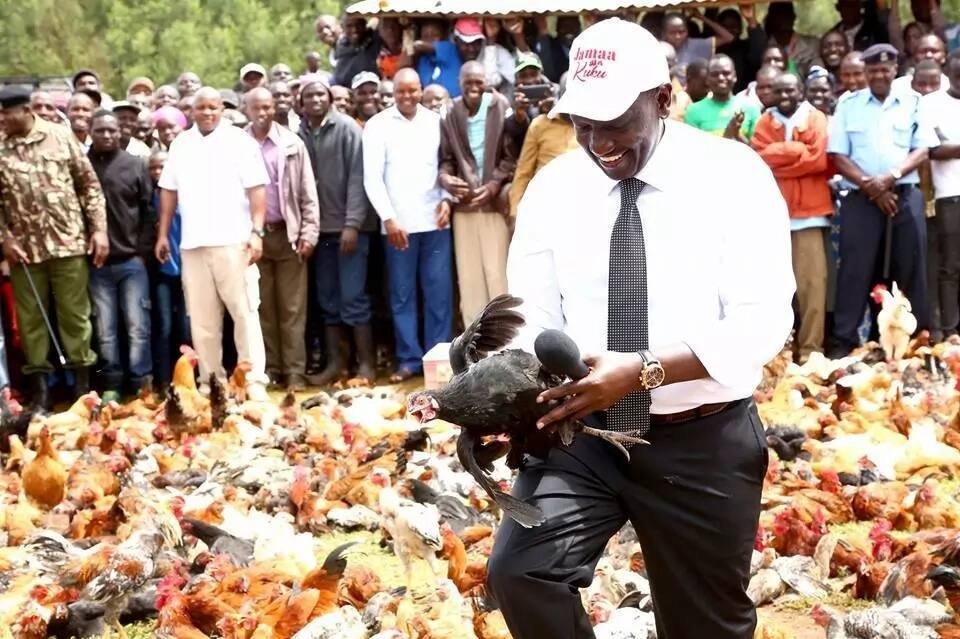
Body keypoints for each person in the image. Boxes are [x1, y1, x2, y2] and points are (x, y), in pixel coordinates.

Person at [488, 18, 793, 639]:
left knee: (704, 626)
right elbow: (529, 315)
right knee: (522, 573)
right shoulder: (554, 188)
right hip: (583, 435)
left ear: (662, 99)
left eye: (615, 122)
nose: (598, 141)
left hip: (701, 441)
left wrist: (644, 371)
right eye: (584, 122)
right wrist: (509, 390)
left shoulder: (733, 175)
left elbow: (764, 320)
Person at [155, 87, 271, 400]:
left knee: (245, 314)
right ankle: (210, 383)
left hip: (234, 242)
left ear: (222, 109)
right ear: (192, 111)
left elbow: (257, 190)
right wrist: (163, 233)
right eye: (201, 108)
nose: (207, 113)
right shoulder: (181, 143)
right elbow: (168, 190)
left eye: (213, 107)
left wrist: (256, 232)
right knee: (203, 321)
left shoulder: (239, 142)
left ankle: (254, 381)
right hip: (193, 246)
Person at [0, 87, 108, 409]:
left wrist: (99, 229)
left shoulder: (60, 137)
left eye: (6, 113)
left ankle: (83, 391)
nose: (2, 119)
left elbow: (88, 186)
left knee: (75, 318)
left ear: (25, 110)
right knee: (31, 323)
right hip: (24, 251)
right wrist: (4, 238)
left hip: (68, 243)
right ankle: (41, 394)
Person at [828, 44, 937, 357]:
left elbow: (923, 149)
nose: (879, 75)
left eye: (884, 69)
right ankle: (846, 346)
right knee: (854, 271)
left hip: (904, 195)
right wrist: (872, 187)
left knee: (912, 267)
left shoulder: (913, 102)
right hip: (861, 198)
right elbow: (837, 154)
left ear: (895, 70)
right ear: (865, 72)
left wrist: (889, 177)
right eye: (872, 69)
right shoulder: (849, 105)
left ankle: (917, 345)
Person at [362, 68, 452, 383]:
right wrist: (388, 218)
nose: (407, 97)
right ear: (393, 92)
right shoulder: (377, 126)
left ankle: (438, 358)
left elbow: (446, 165)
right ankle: (409, 359)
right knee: (402, 295)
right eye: (401, 91)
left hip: (435, 222)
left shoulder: (436, 122)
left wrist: (447, 200)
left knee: (438, 293)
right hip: (398, 225)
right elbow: (371, 178)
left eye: (413, 91)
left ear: (421, 90)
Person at [297, 75, 377, 386]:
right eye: (309, 96)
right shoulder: (299, 132)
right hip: (320, 230)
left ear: (330, 98)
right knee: (328, 299)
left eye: (320, 95)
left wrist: (352, 223)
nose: (315, 100)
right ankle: (335, 365)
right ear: (301, 103)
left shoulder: (346, 129)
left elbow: (359, 178)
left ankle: (367, 365)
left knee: (353, 297)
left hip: (348, 228)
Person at [752, 73, 833, 362]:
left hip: (810, 216)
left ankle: (811, 351)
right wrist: (799, 152)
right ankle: (778, 353)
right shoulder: (764, 121)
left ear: (802, 91)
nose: (784, 95)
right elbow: (758, 157)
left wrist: (780, 158)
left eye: (791, 90)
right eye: (778, 91)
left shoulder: (816, 119)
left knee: (813, 287)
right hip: (772, 217)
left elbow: (819, 159)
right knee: (771, 289)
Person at [244, 88, 320, 391]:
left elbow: (307, 193)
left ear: (274, 108)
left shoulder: (291, 143)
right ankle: (272, 370)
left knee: (292, 309)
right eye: (256, 108)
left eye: (267, 107)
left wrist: (309, 232)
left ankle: (294, 373)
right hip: (254, 238)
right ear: (246, 109)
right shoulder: (238, 145)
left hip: (288, 236)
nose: (262, 113)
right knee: (262, 308)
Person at [438, 61, 515, 328]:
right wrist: (445, 178)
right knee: (469, 280)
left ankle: (507, 341)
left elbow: (511, 156)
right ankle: (476, 349)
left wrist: (494, 184)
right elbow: (446, 159)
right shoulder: (450, 111)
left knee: (498, 276)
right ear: (459, 83)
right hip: (465, 206)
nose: (473, 87)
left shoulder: (500, 106)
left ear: (486, 82)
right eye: (467, 82)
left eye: (478, 82)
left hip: (493, 205)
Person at [86, 111, 154, 399]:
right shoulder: (83, 165)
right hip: (96, 264)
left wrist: (141, 252)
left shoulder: (134, 164)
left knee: (138, 326)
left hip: (131, 261)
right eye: (100, 130)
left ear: (120, 132)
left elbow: (149, 211)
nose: (107, 135)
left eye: (112, 130)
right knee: (105, 330)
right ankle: (111, 385)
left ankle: (141, 383)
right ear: (91, 132)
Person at [923, 50, 960, 337]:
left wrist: (953, 146)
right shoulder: (932, 103)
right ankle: (950, 331)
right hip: (949, 196)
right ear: (948, 71)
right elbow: (932, 150)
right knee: (950, 267)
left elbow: (947, 148)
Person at [509, 74, 579, 219]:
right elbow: (523, 172)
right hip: (543, 206)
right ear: (559, 97)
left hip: (579, 207)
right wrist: (515, 212)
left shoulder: (593, 128)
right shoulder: (539, 125)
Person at [148, 150, 189, 387]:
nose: (157, 172)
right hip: (162, 272)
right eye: (153, 168)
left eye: (162, 167)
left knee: (185, 326)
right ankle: (164, 380)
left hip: (186, 269)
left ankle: (187, 381)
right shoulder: (149, 198)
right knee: (164, 325)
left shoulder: (185, 195)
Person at [684, 54, 761, 142]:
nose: (720, 78)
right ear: (707, 79)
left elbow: (757, 151)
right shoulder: (693, 111)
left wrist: (736, 134)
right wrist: (727, 135)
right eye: (714, 74)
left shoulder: (750, 107)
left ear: (735, 76)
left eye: (726, 73)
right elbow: (692, 149)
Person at [505, 52, 554, 155]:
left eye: (533, 74)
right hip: (524, 155)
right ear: (517, 79)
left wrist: (549, 112)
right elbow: (509, 134)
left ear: (541, 73)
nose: (530, 80)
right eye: (523, 76)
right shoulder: (510, 98)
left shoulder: (555, 93)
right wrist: (519, 117)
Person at [716, 6, 767, 93]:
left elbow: (759, 56)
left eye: (734, 27)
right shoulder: (712, 48)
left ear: (740, 29)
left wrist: (751, 20)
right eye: (726, 27)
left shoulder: (746, 46)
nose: (730, 31)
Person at [662, 11, 735, 71]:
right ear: (664, 33)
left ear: (687, 32)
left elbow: (728, 37)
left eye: (681, 32)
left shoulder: (697, 44)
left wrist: (701, 17)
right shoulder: (659, 48)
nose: (677, 36)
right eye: (672, 32)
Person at [764, 3, 821, 77]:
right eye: (779, 14)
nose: (784, 19)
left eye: (787, 14)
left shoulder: (812, 45)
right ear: (772, 18)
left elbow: (817, 74)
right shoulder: (763, 46)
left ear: (794, 17)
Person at [415, 19, 464, 99]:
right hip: (431, 104)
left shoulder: (449, 48)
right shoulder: (423, 59)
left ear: (443, 36)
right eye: (425, 36)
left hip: (454, 103)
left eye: (434, 35)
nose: (430, 38)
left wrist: (411, 44)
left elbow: (419, 45)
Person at [333, 16, 381, 87]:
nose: (354, 29)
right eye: (349, 26)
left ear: (365, 25)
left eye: (359, 25)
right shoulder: (341, 49)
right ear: (343, 27)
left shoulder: (374, 41)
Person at [534, 15, 581, 83]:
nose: (569, 30)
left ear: (579, 28)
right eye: (565, 26)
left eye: (573, 26)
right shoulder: (549, 45)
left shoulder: (585, 45)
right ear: (557, 28)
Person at [481, 18, 518, 94]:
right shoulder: (476, 49)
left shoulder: (502, 52)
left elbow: (491, 82)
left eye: (494, 24)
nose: (490, 25)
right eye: (487, 22)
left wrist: (491, 39)